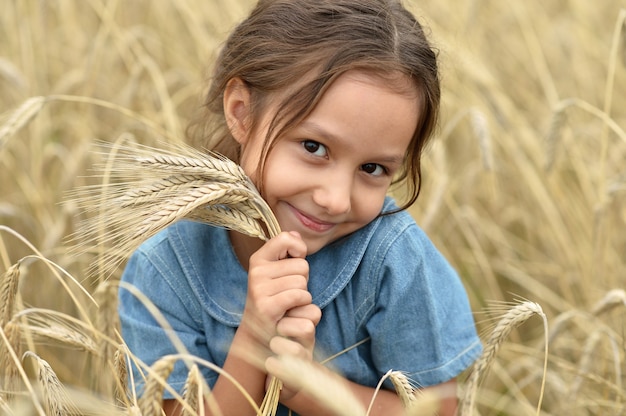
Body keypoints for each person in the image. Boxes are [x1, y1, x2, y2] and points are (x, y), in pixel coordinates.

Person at [118, 0, 482, 415]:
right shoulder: (167, 269)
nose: (336, 199)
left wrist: (307, 388)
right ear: (241, 112)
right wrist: (255, 339)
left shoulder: (395, 261)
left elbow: (439, 410)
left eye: (372, 168)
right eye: (314, 147)